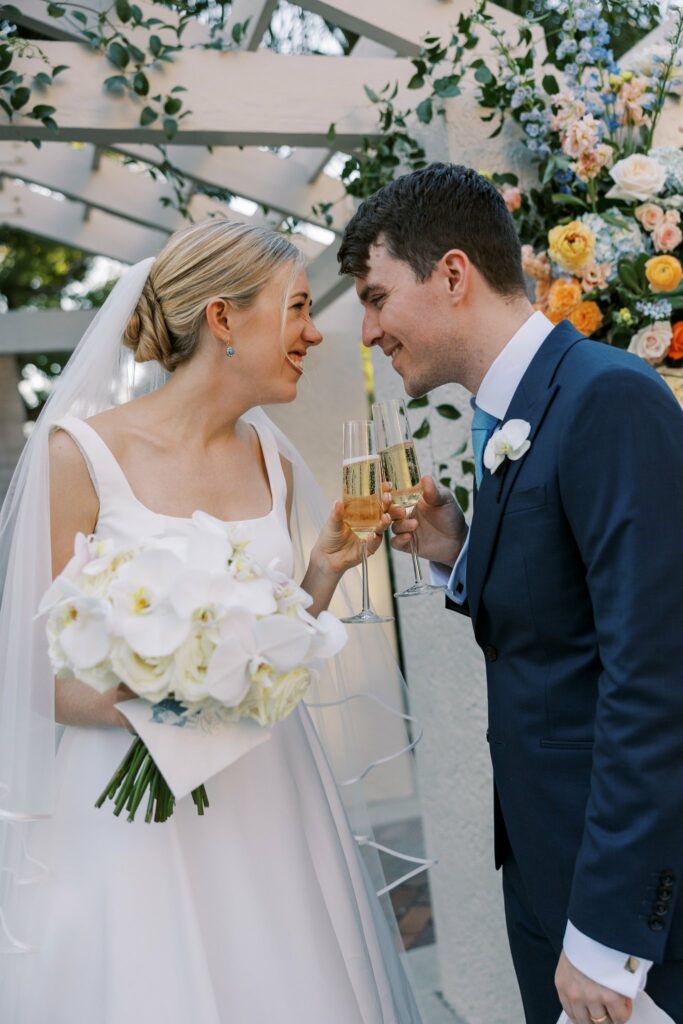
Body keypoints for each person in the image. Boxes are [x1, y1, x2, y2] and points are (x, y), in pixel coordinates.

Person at [0, 218, 423, 1023]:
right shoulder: (78, 456)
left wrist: (321, 571)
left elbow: (272, 641)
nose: (313, 332)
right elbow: (34, 677)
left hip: (269, 786)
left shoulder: (270, 458)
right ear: (223, 319)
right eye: (296, 308)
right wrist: (168, 697)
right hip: (131, 823)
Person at [338, 162, 683, 1024]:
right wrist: (463, 552)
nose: (369, 329)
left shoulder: (607, 398)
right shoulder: (515, 415)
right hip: (542, 872)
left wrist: (606, 935)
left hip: (621, 913)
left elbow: (656, 679)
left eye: (377, 297)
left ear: (453, 274)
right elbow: (563, 619)